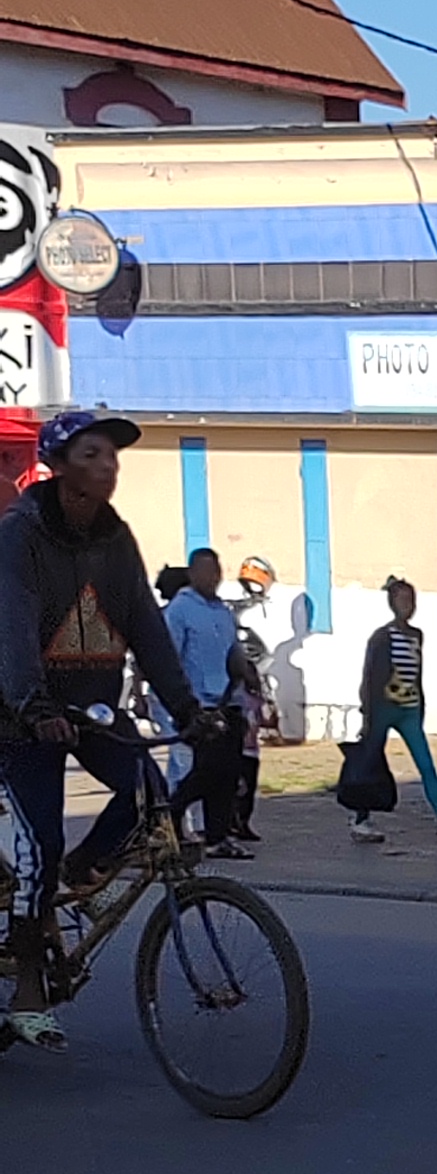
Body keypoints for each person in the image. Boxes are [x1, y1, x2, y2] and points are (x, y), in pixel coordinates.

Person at [0, 409, 220, 1044]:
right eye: (93, 455)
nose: (108, 466)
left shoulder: (114, 539)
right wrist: (31, 707)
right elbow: (11, 627)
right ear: (60, 466)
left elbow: (146, 628)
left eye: (113, 456)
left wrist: (189, 712)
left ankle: (82, 876)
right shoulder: (20, 535)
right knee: (37, 842)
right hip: (20, 719)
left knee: (150, 792)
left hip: (92, 710)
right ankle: (26, 989)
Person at [352, 576, 437, 844]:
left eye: (412, 601)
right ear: (392, 603)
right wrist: (367, 714)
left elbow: (417, 673)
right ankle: (361, 819)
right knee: (370, 762)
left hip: (409, 709)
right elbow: (369, 677)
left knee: (426, 764)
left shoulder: (417, 635)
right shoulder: (382, 637)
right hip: (383, 708)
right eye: (403, 601)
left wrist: (420, 707)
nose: (409, 606)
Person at [160, 544, 258, 853]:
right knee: (205, 770)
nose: (212, 577)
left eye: (216, 570)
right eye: (205, 570)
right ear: (192, 573)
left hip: (227, 701)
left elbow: (233, 652)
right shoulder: (180, 609)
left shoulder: (223, 612)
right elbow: (169, 656)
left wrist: (248, 676)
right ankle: (170, 813)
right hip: (197, 703)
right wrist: (179, 702)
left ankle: (217, 837)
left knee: (228, 772)